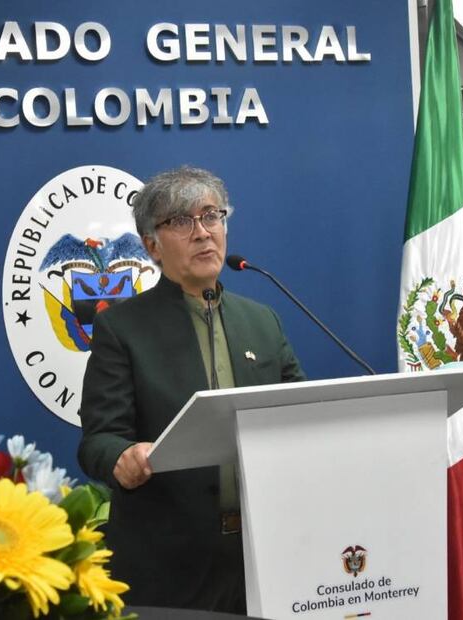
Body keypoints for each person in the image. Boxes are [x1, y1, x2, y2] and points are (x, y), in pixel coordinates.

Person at [77, 166, 305, 613]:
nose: (202, 233)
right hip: (170, 561)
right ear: (151, 246)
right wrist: (121, 457)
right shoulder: (122, 328)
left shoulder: (262, 320)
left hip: (265, 551)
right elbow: (98, 439)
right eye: (181, 221)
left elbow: (298, 415)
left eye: (211, 216)